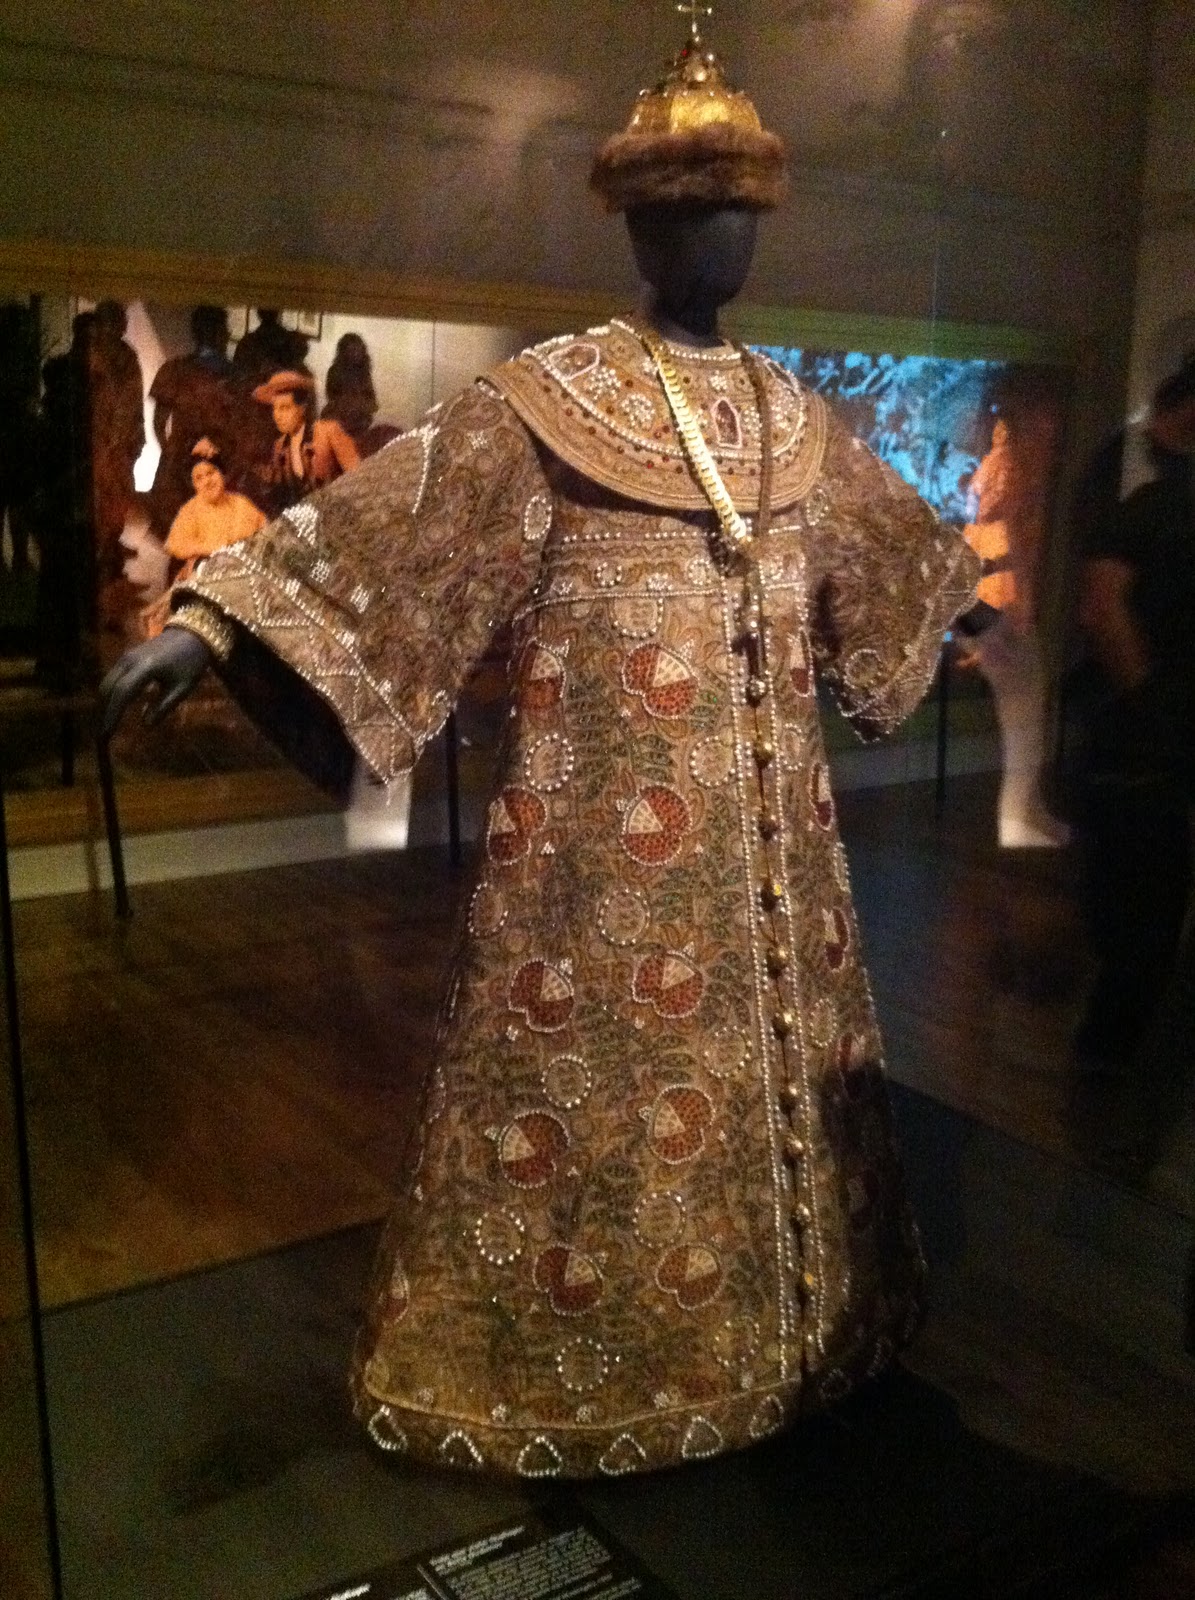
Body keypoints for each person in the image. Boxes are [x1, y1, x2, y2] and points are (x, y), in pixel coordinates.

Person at [100, 19, 980, 1479]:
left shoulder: (788, 416)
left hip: (773, 875)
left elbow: (896, 555)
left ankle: (801, 1336)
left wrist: (965, 602)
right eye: (688, 209)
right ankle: (580, 1361)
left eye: (737, 211)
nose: (716, 236)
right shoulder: (549, 407)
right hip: (597, 862)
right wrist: (211, 625)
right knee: (587, 1102)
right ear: (637, 223)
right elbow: (395, 523)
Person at [1073, 364, 1195, 1082]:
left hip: (1145, 736)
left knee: (1141, 909)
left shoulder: (1149, 502)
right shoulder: (1148, 505)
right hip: (1146, 740)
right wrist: (1151, 707)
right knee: (1143, 911)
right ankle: (1108, 1070)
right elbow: (1101, 606)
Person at [141, 438, 265, 638]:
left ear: (222, 474)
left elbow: (264, 533)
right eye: (199, 478)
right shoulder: (191, 510)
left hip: (241, 579)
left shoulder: (241, 504)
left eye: (211, 473)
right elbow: (176, 545)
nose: (207, 481)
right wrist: (207, 547)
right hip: (204, 576)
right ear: (194, 485)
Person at [147, 306, 236, 539]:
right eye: (223, 329)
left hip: (216, 457)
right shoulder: (177, 370)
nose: (227, 335)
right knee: (181, 526)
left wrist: (169, 450)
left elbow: (159, 421)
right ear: (214, 332)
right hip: (186, 458)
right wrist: (170, 452)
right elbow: (159, 419)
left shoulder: (232, 373)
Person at [250, 369, 360, 516]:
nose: (277, 416)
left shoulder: (327, 431)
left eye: (285, 408)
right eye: (274, 409)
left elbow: (358, 474)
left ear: (302, 408)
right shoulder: (279, 446)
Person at [322, 332, 399, 458]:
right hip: (340, 423)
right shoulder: (335, 371)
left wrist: (361, 405)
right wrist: (349, 405)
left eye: (358, 350)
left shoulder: (364, 372)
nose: (356, 354)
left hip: (360, 424)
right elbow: (331, 398)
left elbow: (373, 403)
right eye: (352, 350)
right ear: (344, 352)